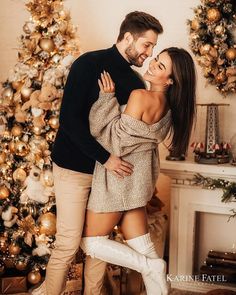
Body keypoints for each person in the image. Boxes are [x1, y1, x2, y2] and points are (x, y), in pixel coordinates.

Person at [31, 11, 163, 295]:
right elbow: (69, 120)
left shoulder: (136, 83)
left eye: (152, 47)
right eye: (146, 45)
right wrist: (105, 158)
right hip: (74, 170)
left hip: (108, 176)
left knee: (97, 243)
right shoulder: (88, 64)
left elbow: (127, 135)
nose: (149, 53)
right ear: (128, 37)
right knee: (67, 243)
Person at [80, 47, 196, 295]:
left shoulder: (140, 96)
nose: (153, 63)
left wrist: (106, 99)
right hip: (140, 179)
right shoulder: (169, 109)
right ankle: (155, 277)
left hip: (119, 177)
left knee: (91, 243)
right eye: (156, 59)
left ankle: (150, 266)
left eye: (161, 66)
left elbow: (116, 142)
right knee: (145, 246)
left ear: (171, 80)